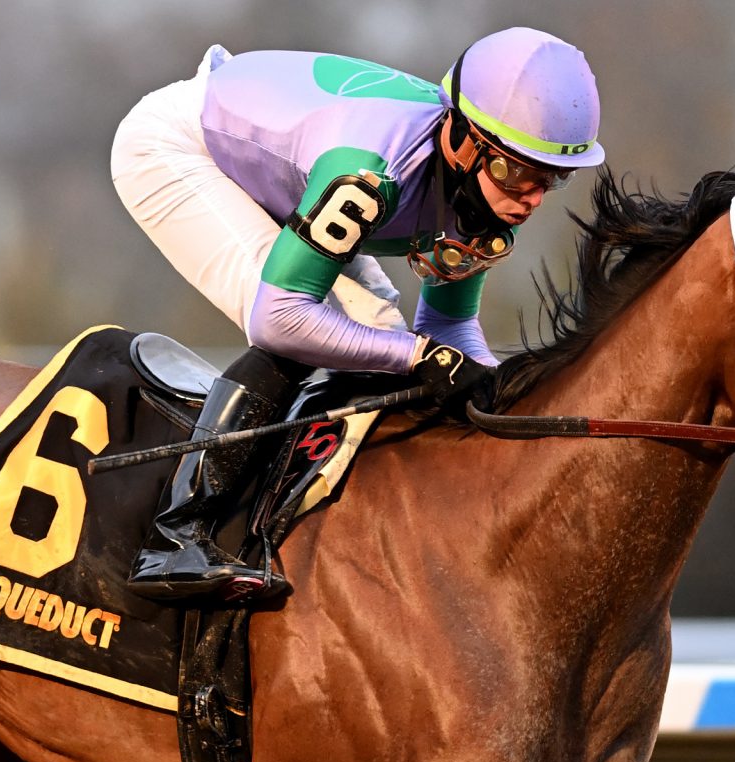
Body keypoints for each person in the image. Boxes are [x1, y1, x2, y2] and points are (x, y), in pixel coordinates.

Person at [110, 27, 604, 604]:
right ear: (466, 142)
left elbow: (446, 329)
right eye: (518, 173)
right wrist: (422, 358)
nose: (531, 199)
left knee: (380, 335)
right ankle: (175, 537)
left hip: (281, 152)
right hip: (180, 148)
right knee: (317, 329)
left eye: (551, 179)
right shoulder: (369, 172)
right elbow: (280, 319)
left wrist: (511, 408)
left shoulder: (483, 193)